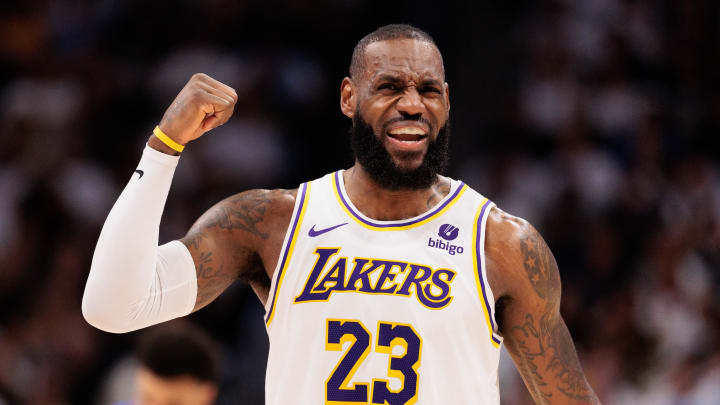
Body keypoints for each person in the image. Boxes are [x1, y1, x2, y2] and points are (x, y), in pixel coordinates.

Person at [83, 24, 601, 404]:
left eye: (428, 90)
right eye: (391, 86)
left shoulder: (500, 243)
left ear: (447, 102)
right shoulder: (272, 223)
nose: (413, 104)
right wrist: (164, 145)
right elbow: (113, 306)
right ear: (349, 98)